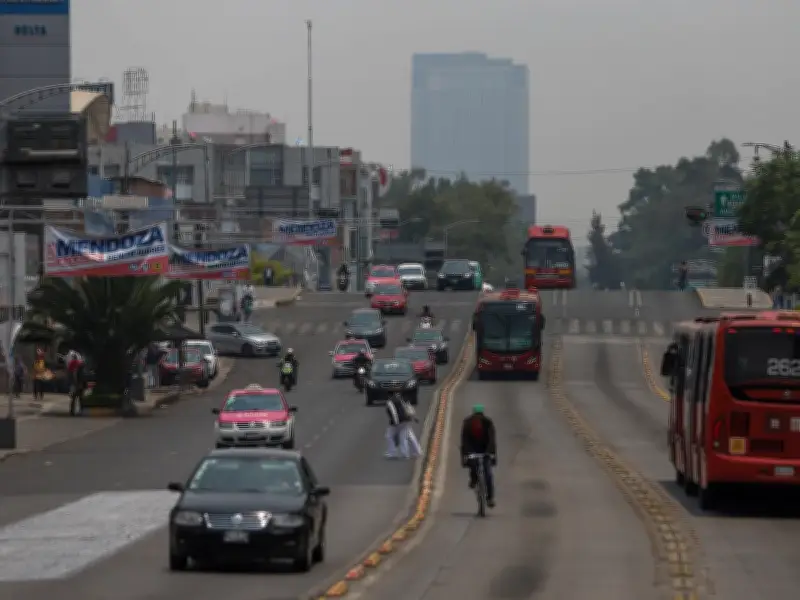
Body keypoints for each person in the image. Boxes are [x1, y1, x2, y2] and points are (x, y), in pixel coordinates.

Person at [460, 404, 497, 507]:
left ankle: (489, 498)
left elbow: (491, 439)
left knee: (487, 474)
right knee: (479, 471)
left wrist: (490, 453)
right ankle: (475, 482)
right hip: (474, 451)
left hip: (484, 451)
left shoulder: (487, 423)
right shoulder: (468, 423)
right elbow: (465, 440)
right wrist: (466, 454)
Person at [385, 393, 411, 458]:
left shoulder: (390, 402)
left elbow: (394, 413)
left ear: (388, 396)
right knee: (403, 437)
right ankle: (405, 454)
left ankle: (392, 453)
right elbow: (406, 408)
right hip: (405, 420)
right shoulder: (400, 400)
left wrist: (396, 423)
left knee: (389, 436)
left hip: (398, 422)